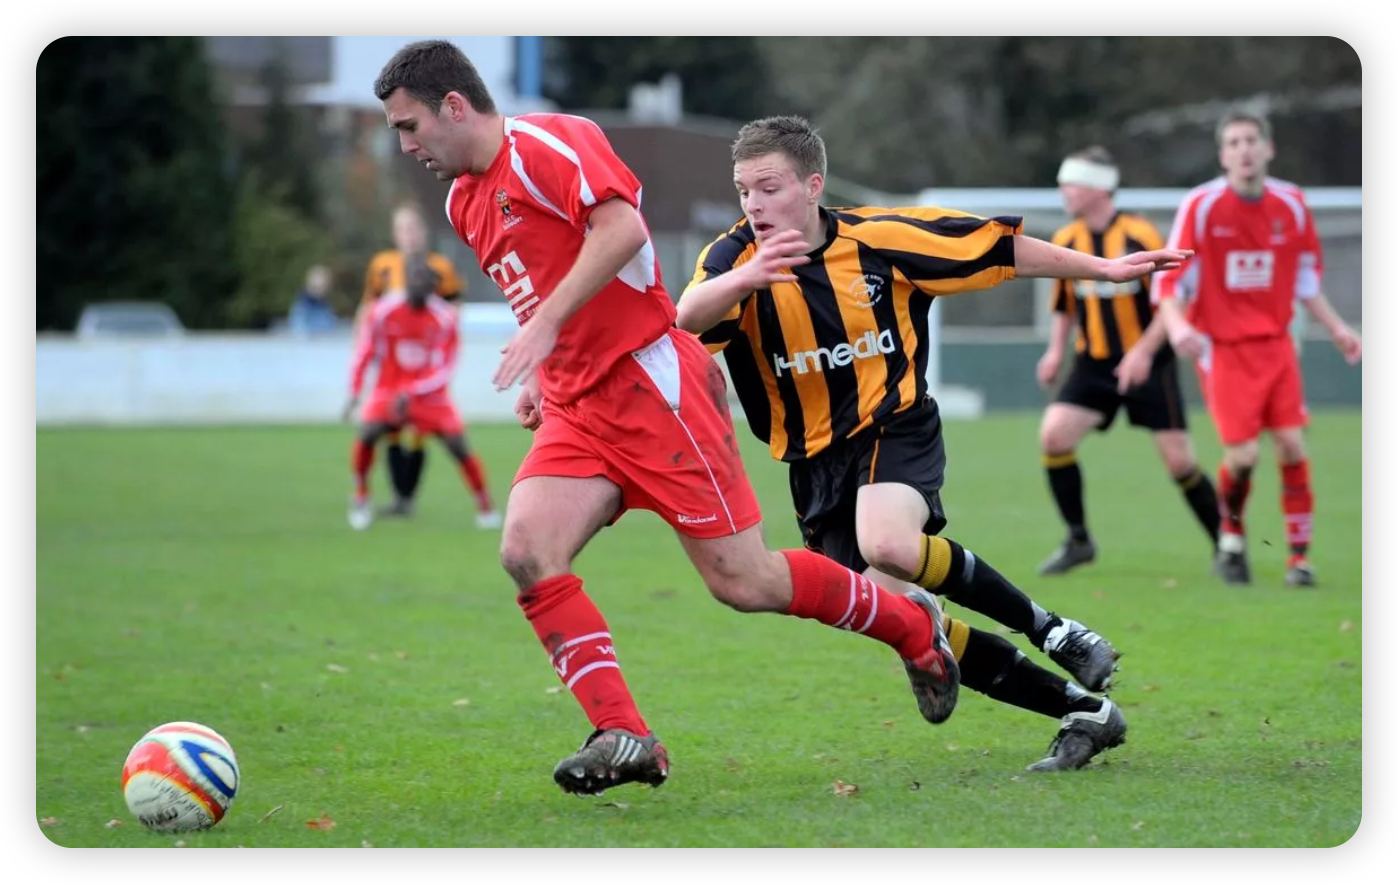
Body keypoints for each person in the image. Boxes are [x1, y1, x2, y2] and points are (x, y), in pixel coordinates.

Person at [375, 40, 966, 799]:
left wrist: (546, 328)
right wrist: (548, 378)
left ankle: (914, 628)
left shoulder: (552, 142)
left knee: (746, 582)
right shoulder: (464, 200)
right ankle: (624, 735)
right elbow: (546, 293)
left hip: (655, 389)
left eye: (409, 125)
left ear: (454, 105)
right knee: (526, 550)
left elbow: (622, 231)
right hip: (581, 407)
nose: (406, 145)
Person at [675, 116, 1190, 771]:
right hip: (813, 464)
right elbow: (685, 320)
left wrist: (1106, 270)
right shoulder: (731, 260)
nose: (753, 204)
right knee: (909, 620)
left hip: (895, 426)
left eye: (768, 188)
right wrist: (742, 282)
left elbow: (1000, 250)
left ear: (812, 185)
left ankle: (1054, 630)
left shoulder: (880, 237)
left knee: (887, 542)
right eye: (743, 190)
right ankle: (1084, 713)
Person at [1147, 107, 1362, 587]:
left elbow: (1306, 279)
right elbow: (1168, 285)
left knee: (1291, 445)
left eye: (1252, 141)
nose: (1245, 150)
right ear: (1224, 155)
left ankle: (1299, 560)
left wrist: (1339, 328)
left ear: (1269, 148)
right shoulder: (1202, 207)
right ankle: (1231, 535)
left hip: (1278, 344)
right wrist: (1179, 326)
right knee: (1243, 458)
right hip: (1223, 349)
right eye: (1235, 143)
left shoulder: (1291, 204)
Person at [1034, 146, 1222, 576]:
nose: (1064, 191)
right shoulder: (1067, 240)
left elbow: (1172, 300)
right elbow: (1065, 304)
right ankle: (1078, 540)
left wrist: (1141, 352)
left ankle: (1226, 544)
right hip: (1093, 364)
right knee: (1054, 438)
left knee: (1179, 462)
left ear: (1099, 188)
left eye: (1072, 183)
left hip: (1150, 361)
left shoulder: (1141, 234)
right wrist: (1055, 351)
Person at [343, 250, 500, 531]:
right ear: (407, 280)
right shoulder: (382, 311)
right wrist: (355, 391)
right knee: (368, 432)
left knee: (458, 445)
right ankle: (360, 498)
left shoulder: (444, 318)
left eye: (427, 282)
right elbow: (365, 351)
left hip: (429, 396)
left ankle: (486, 507)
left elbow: (445, 368)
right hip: (389, 390)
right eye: (415, 279)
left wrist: (413, 392)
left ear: (433, 286)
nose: (421, 286)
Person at [360, 204, 468, 518]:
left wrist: (444, 348)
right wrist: (362, 348)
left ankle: (407, 496)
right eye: (403, 229)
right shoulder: (382, 265)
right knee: (390, 428)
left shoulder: (440, 267)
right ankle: (399, 497)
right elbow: (368, 307)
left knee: (420, 429)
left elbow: (453, 308)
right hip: (392, 366)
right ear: (395, 233)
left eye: (414, 229)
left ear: (423, 233)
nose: (409, 235)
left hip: (424, 365)